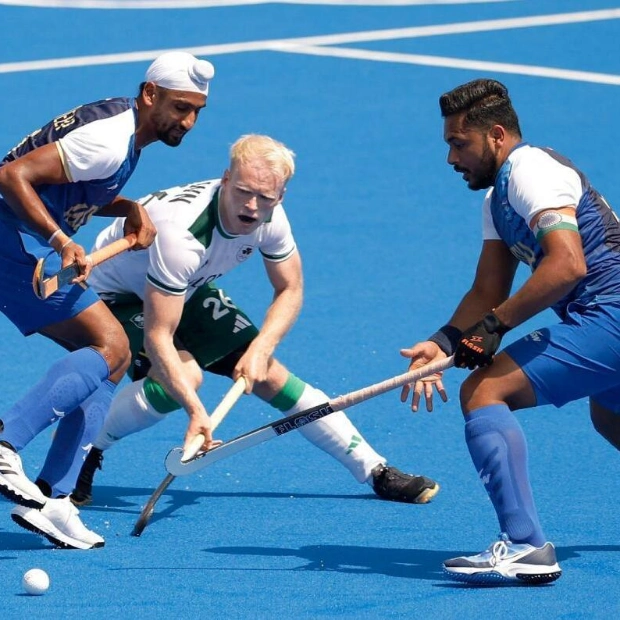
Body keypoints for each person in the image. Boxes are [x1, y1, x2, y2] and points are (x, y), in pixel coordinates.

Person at [68, 134, 439, 510]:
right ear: (225, 178)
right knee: (181, 381)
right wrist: (197, 411)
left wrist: (261, 349)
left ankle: (374, 470)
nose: (251, 206)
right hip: (114, 297)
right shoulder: (182, 235)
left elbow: (290, 288)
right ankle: (87, 448)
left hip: (189, 287)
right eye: (243, 191)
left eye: (264, 197)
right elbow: (159, 333)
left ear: (280, 196)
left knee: (270, 375)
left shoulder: (271, 218)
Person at [400, 77, 620, 585]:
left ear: (496, 135)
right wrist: (443, 342)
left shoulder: (531, 173)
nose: (452, 159)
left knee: (484, 389)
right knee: (612, 420)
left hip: (610, 316)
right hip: (604, 321)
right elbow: (487, 289)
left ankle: (525, 546)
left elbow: (567, 267)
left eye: (460, 144)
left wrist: (495, 328)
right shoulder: (497, 200)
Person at [0, 51, 215, 550]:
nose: (189, 120)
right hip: (12, 244)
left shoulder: (121, 127)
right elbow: (11, 176)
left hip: (16, 241)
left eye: (197, 110)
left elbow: (72, 186)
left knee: (111, 355)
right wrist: (61, 241)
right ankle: (7, 441)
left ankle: (55, 500)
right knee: (113, 347)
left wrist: (129, 207)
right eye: (181, 107)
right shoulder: (108, 139)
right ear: (149, 94)